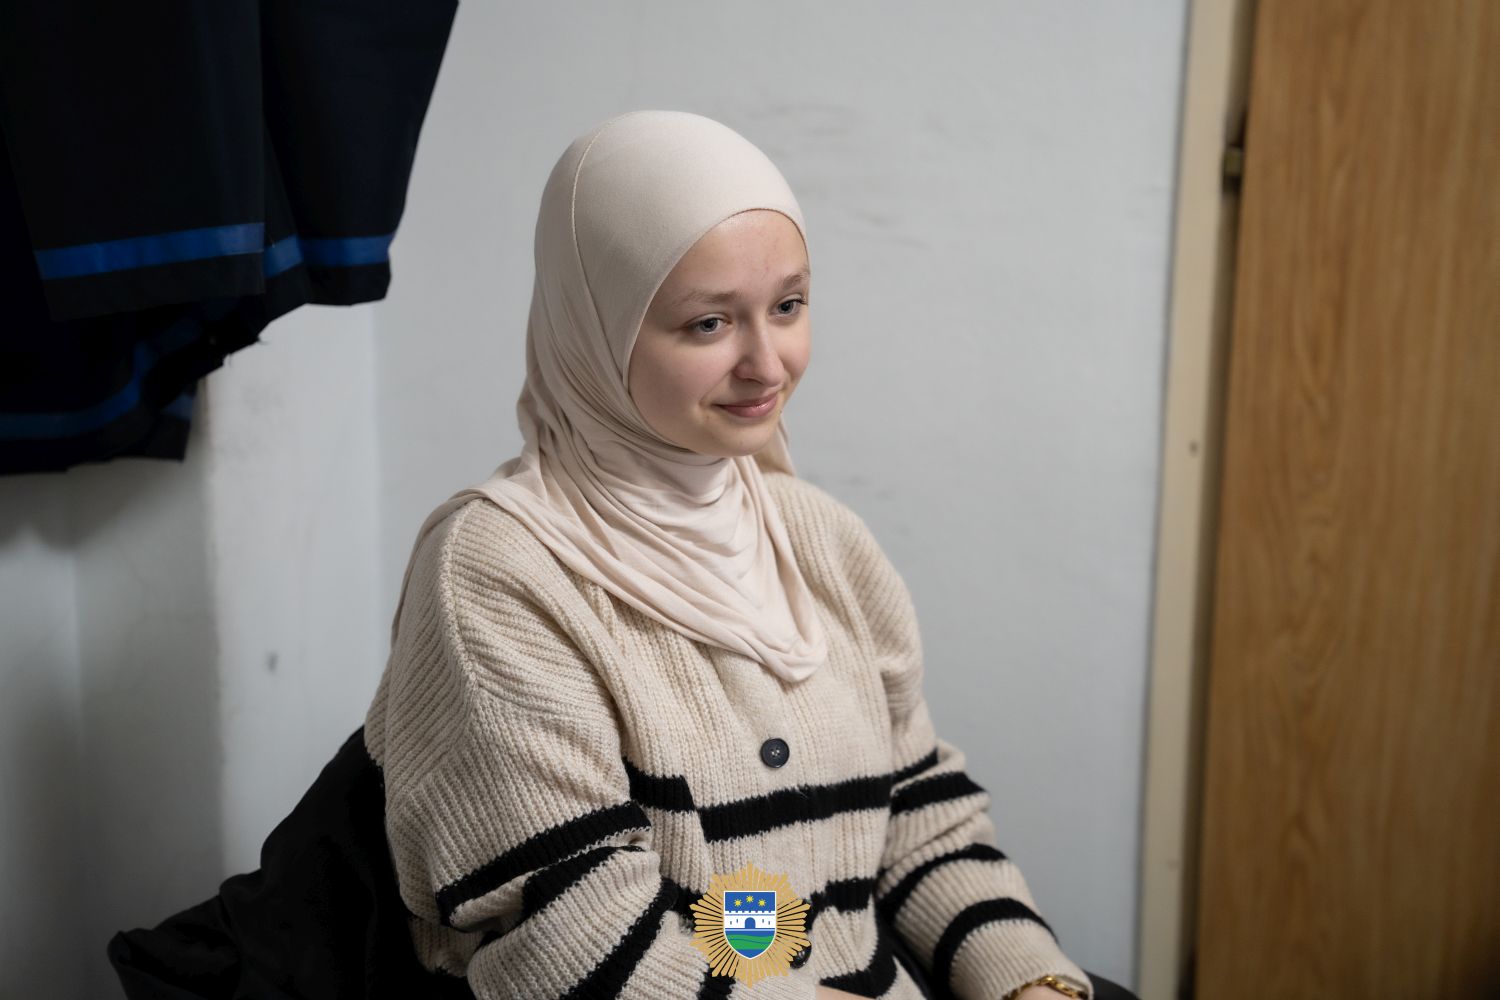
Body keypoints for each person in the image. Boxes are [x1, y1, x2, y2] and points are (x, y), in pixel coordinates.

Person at [365, 110, 1106, 1000]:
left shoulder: (819, 538)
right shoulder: (499, 571)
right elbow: (572, 946)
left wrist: (1028, 981)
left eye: (788, 307)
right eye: (709, 323)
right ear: (595, 328)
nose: (768, 365)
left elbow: (917, 819)